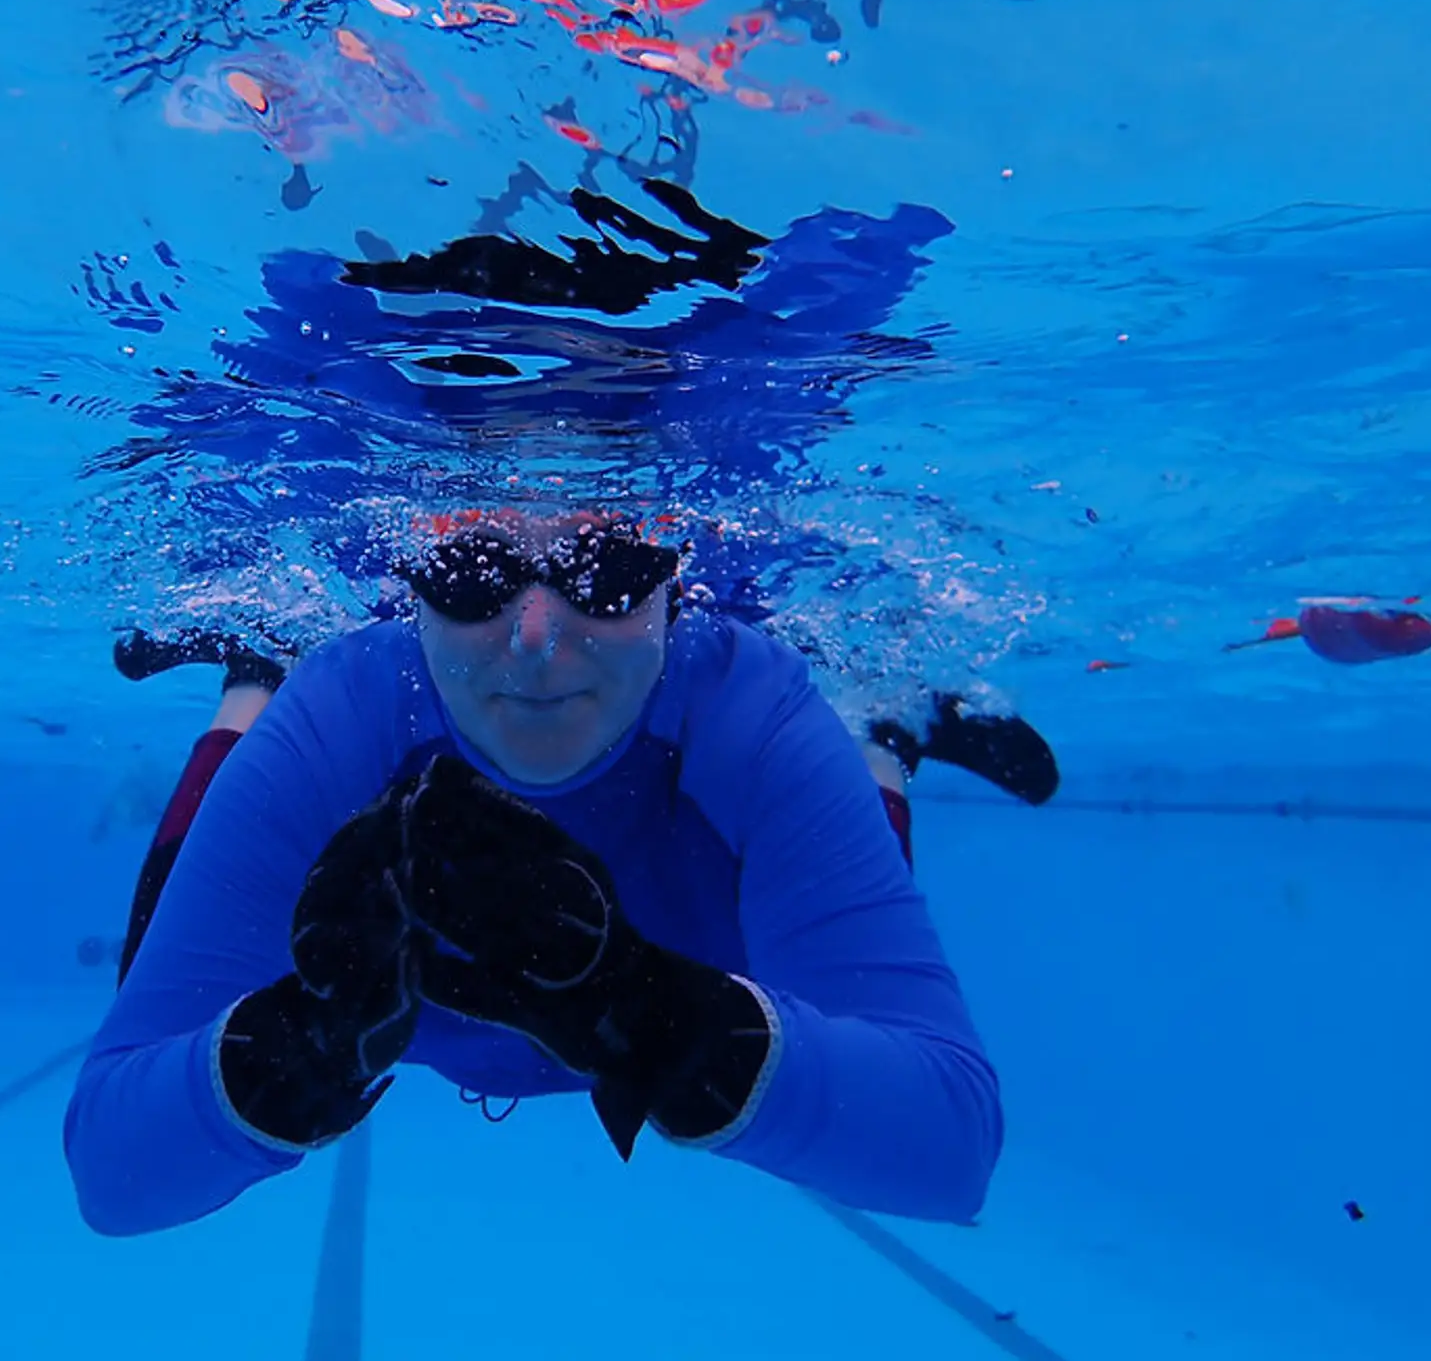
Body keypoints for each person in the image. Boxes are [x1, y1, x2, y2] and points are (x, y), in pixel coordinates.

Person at [63, 510, 1057, 1238]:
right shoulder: (350, 704)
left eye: (609, 568)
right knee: (174, 925)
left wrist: (661, 1013)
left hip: (761, 771)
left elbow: (949, 1147)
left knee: (834, 779)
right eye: (468, 569)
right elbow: (112, 1166)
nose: (535, 639)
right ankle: (251, 676)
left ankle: (880, 729)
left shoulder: (748, 706)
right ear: (411, 583)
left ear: (674, 576)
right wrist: (294, 1047)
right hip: (325, 722)